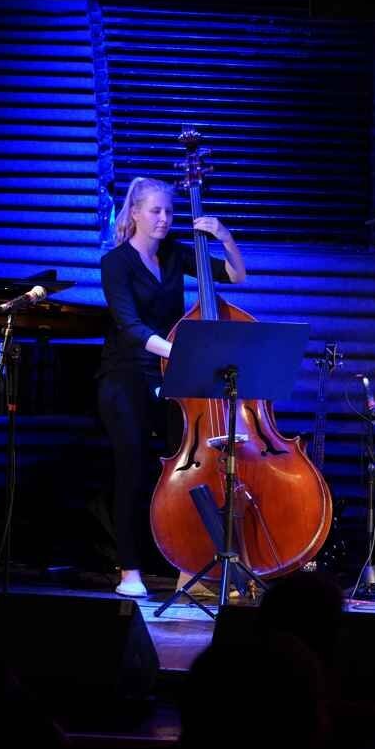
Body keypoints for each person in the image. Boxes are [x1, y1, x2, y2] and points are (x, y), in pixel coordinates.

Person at [97, 177, 246, 599]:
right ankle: (129, 570)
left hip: (170, 377)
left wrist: (224, 236)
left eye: (169, 211)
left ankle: (189, 565)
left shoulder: (177, 253)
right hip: (125, 376)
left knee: (188, 473)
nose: (164, 219)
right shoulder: (116, 263)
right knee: (134, 470)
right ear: (136, 214)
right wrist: (181, 354)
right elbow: (130, 327)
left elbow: (236, 276)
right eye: (156, 211)